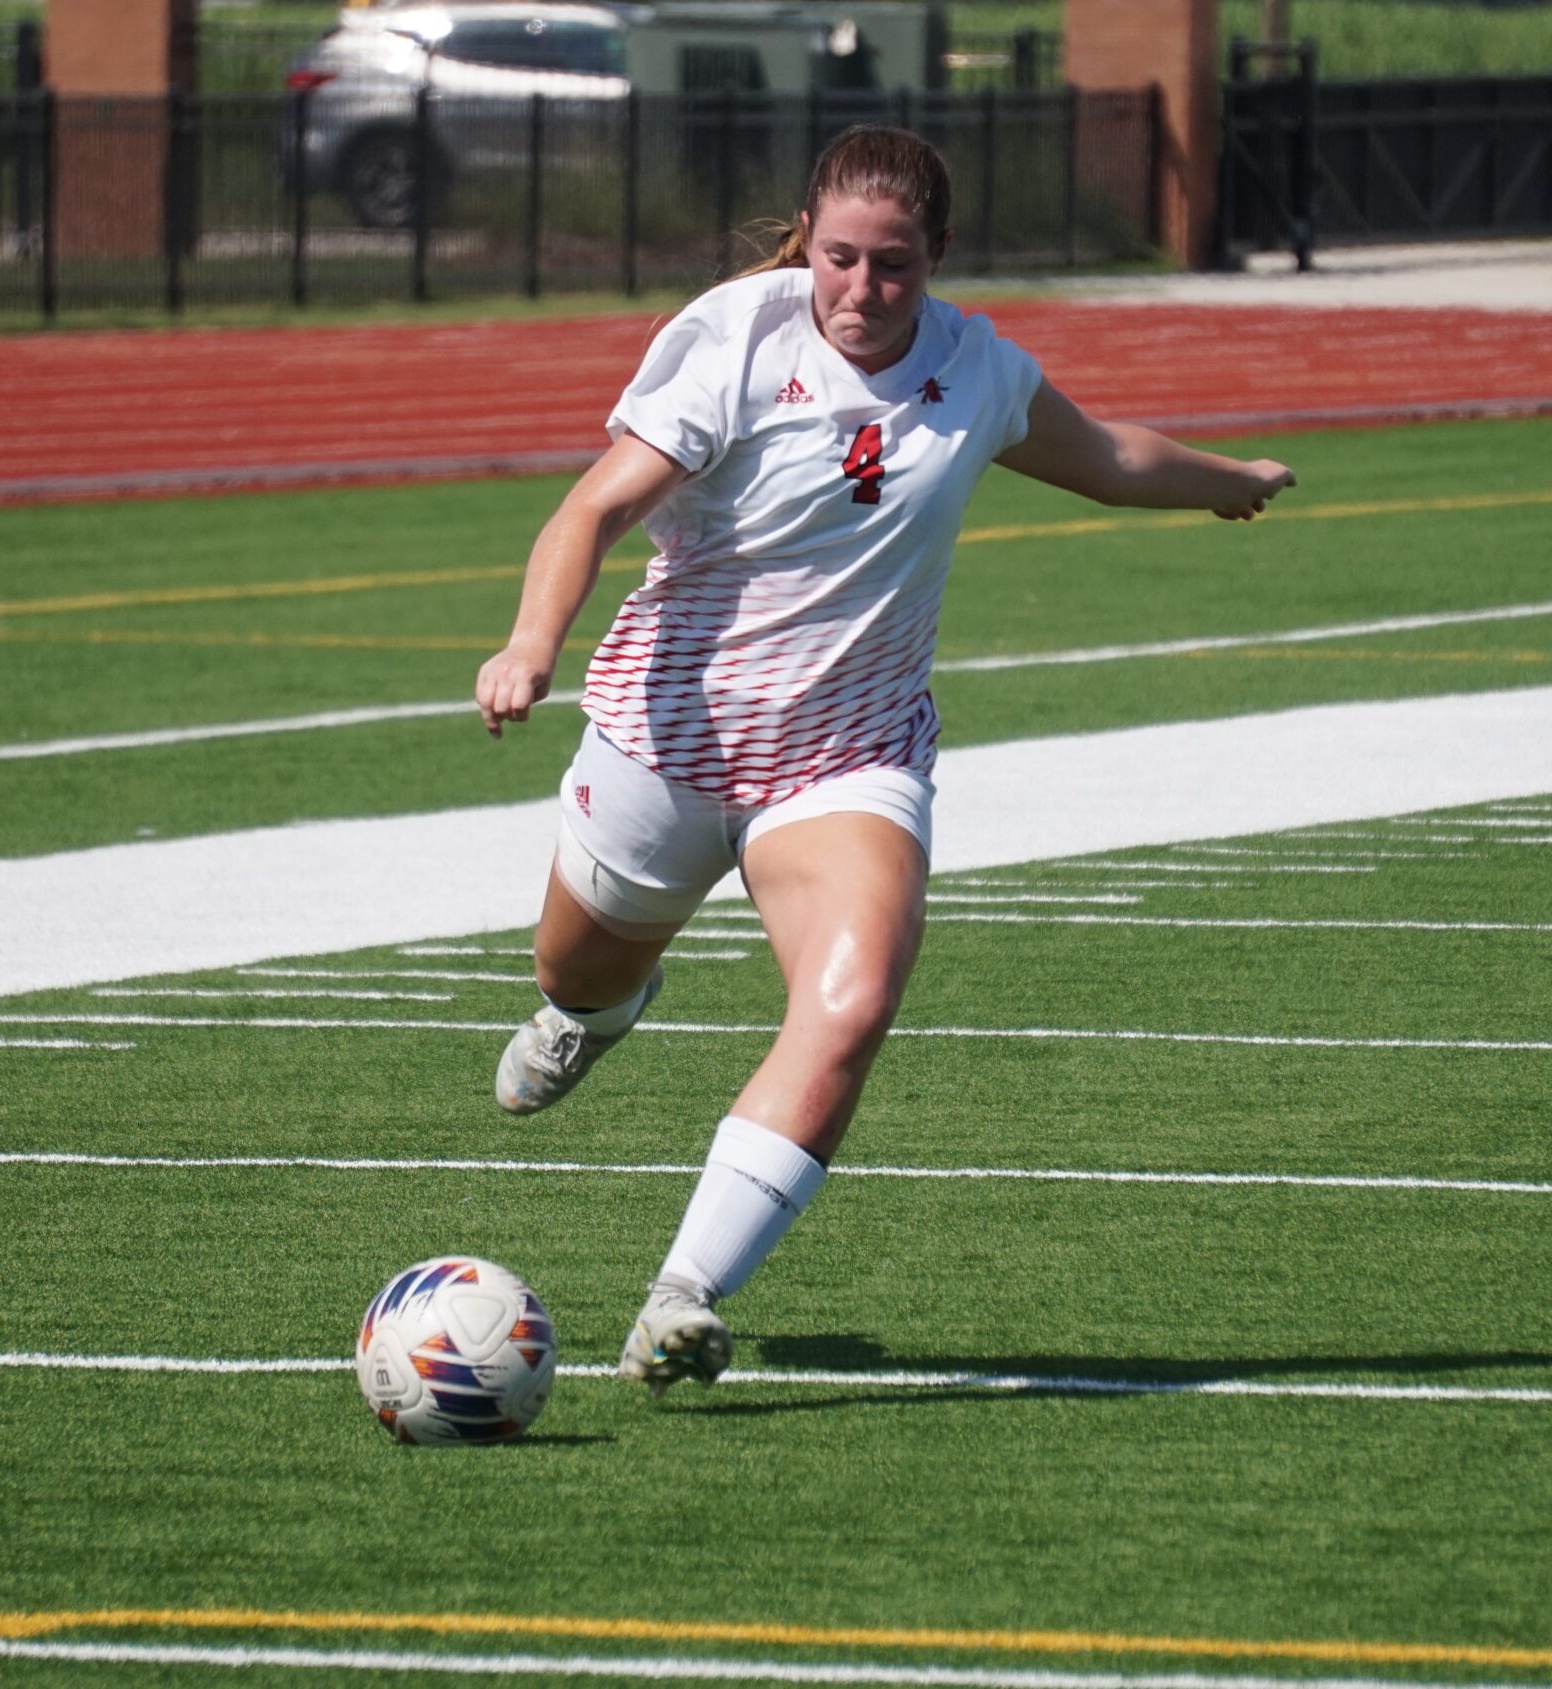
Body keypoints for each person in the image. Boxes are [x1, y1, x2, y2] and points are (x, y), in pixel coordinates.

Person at [473, 125, 1294, 1398]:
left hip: (846, 759)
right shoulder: (735, 340)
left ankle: (682, 1296)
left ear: (939, 259)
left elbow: (1103, 455)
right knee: (574, 967)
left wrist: (1221, 480)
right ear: (809, 242)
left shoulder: (976, 369)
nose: (861, 292)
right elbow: (595, 505)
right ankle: (596, 1014)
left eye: (894, 267)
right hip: (669, 735)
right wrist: (531, 645)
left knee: (848, 1007)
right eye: (839, 260)